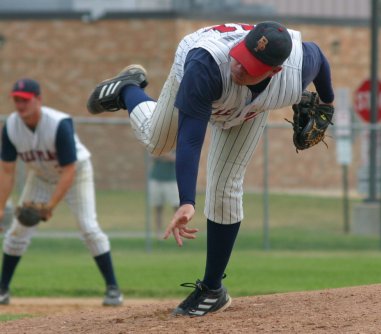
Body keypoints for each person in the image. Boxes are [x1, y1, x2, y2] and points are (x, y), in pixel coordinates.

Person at [87, 21, 334, 316]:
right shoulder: (207, 64)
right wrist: (186, 201)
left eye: (251, 65)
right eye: (241, 56)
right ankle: (127, 90)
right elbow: (190, 139)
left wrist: (327, 102)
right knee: (158, 142)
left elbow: (318, 57)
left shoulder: (295, 71)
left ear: (275, 70)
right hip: (196, 78)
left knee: (226, 188)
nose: (240, 67)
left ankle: (213, 289)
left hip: (249, 110)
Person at [0, 78, 123, 306]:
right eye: (16, 100)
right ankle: (2, 289)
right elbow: (7, 172)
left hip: (76, 174)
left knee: (88, 227)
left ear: (38, 99)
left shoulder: (58, 123)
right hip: (41, 176)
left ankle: (113, 288)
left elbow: (69, 170)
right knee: (17, 232)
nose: (20, 105)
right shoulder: (10, 127)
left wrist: (49, 208)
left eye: (25, 100)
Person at [148, 151, 179, 238]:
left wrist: (161, 155)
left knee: (177, 208)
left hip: (172, 180)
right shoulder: (157, 142)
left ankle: (179, 233)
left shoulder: (177, 143)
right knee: (158, 207)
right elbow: (151, 156)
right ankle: (159, 233)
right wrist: (166, 156)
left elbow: (176, 158)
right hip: (156, 179)